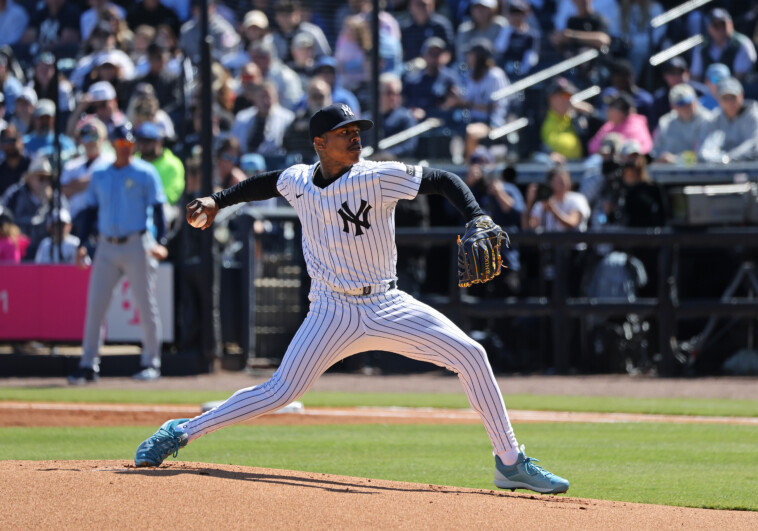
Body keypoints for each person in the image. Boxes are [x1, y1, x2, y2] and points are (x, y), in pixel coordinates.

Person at [133, 103, 570, 496]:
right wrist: (219, 199)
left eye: (358, 129)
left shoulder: (377, 176)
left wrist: (476, 214)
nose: (356, 136)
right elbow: (266, 184)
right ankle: (181, 432)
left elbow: (441, 179)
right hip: (330, 311)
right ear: (320, 143)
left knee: (472, 354)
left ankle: (510, 463)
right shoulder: (299, 180)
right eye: (346, 132)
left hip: (387, 303)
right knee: (280, 390)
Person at [68, 122, 169, 385]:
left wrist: (161, 241)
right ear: (112, 144)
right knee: (95, 306)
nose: (125, 148)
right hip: (106, 246)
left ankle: (151, 362)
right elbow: (90, 212)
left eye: (128, 143)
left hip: (137, 243)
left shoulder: (145, 172)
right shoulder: (101, 173)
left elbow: (159, 209)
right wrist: (82, 244)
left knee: (145, 305)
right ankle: (88, 365)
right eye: (120, 143)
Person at [60, 118, 114, 236]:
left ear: (103, 138)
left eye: (94, 135)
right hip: (75, 222)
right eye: (85, 136)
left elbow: (106, 187)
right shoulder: (71, 165)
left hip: (101, 221)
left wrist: (75, 183)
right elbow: (64, 191)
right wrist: (91, 182)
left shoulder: (111, 162)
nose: (89, 141)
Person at [698, 77, 758, 163]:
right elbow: (703, 148)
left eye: (733, 97)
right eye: (725, 98)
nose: (730, 102)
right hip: (721, 171)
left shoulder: (754, 114)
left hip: (752, 170)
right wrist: (716, 158)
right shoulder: (715, 119)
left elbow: (753, 143)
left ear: (741, 96)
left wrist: (728, 158)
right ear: (718, 99)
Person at [690, 8, 757, 82]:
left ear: (730, 24)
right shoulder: (702, 47)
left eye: (723, 24)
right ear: (709, 28)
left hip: (735, 90)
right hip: (708, 90)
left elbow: (739, 77)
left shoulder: (742, 44)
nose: (721, 29)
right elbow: (695, 77)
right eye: (716, 25)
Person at [651, 84, 712, 164]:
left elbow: (704, 155)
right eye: (681, 104)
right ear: (673, 106)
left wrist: (676, 160)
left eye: (689, 102)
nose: (686, 107)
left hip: (700, 173)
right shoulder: (665, 122)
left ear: (695, 100)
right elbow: (655, 153)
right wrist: (661, 158)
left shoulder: (707, 120)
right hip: (668, 173)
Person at [135, 121, 184, 206]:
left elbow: (171, 197)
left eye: (148, 141)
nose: (143, 145)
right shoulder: (134, 161)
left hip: (161, 210)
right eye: (140, 140)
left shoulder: (173, 165)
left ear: (159, 142)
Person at [588, 92, 653, 156]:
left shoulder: (635, 124)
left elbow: (639, 151)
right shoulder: (610, 125)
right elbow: (592, 146)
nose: (607, 110)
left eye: (612, 106)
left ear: (625, 111)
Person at [0, 124, 29, 197]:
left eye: (13, 140)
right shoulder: (1, 168)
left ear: (21, 141)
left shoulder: (31, 165)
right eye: (5, 141)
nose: (9, 145)